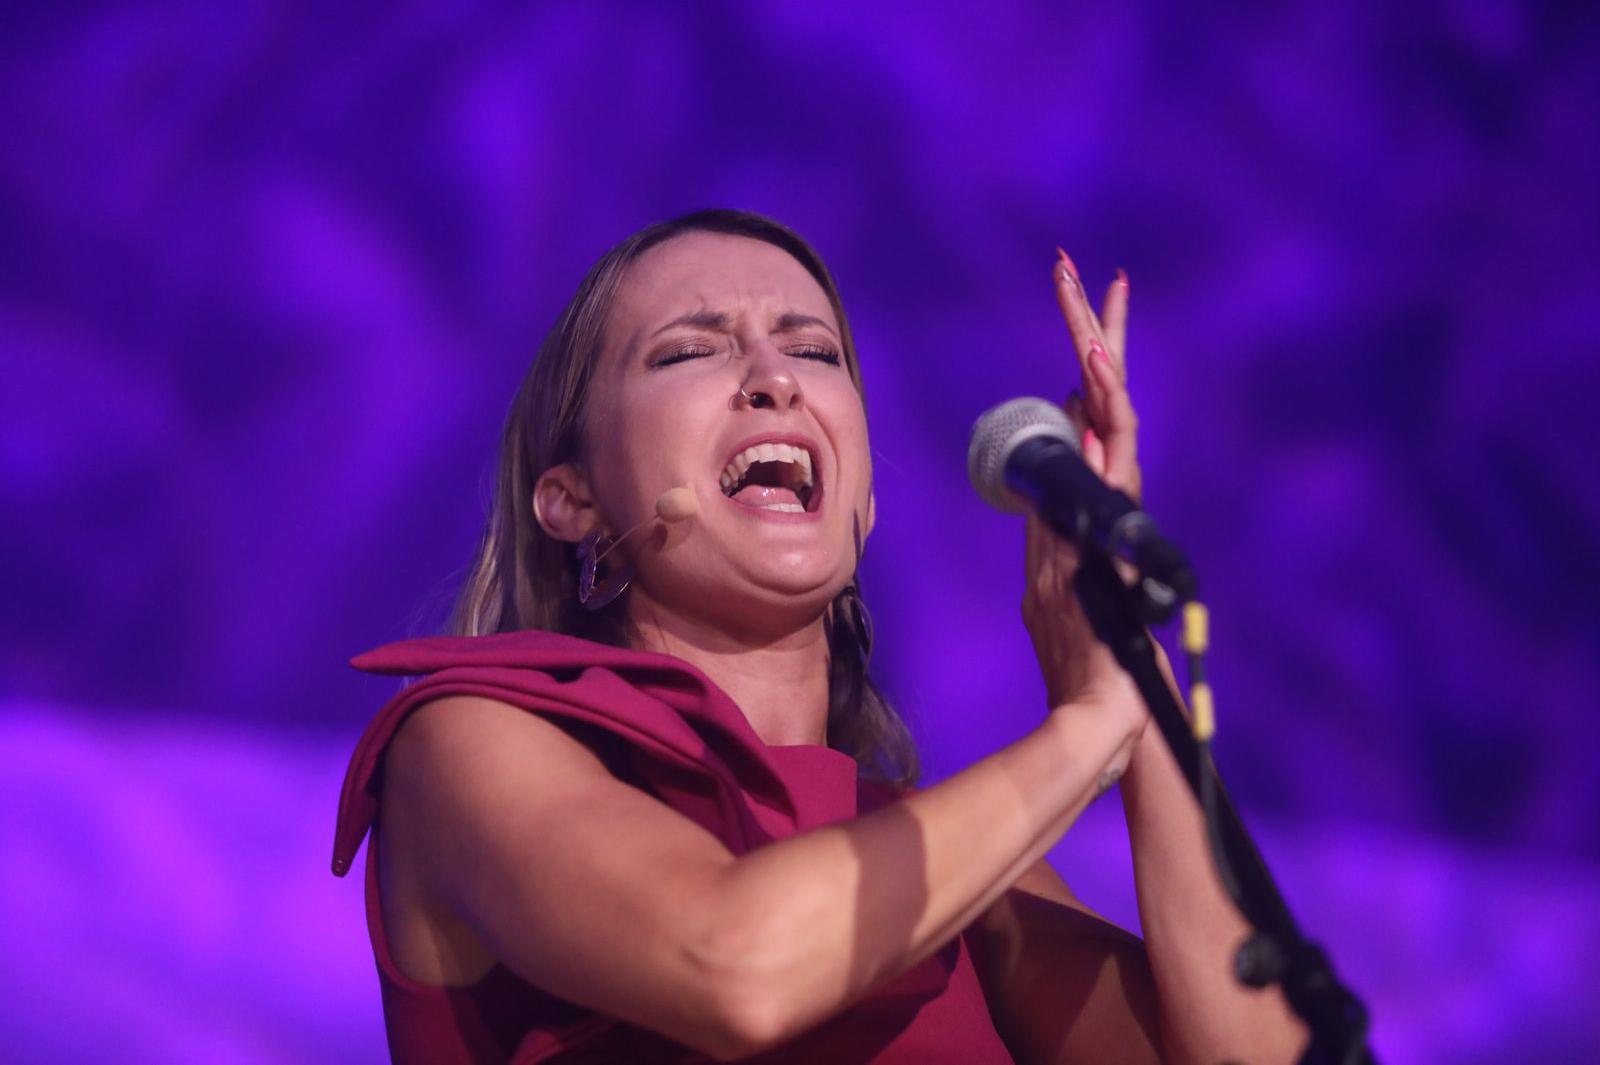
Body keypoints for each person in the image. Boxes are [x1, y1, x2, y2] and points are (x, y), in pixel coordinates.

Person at [332, 209, 1308, 1063]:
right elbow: (736, 969)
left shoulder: (960, 865)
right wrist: (1092, 726)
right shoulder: (465, 744)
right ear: (572, 498)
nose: (773, 381)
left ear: (867, 502)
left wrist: (1134, 673)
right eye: (688, 349)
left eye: (812, 350)